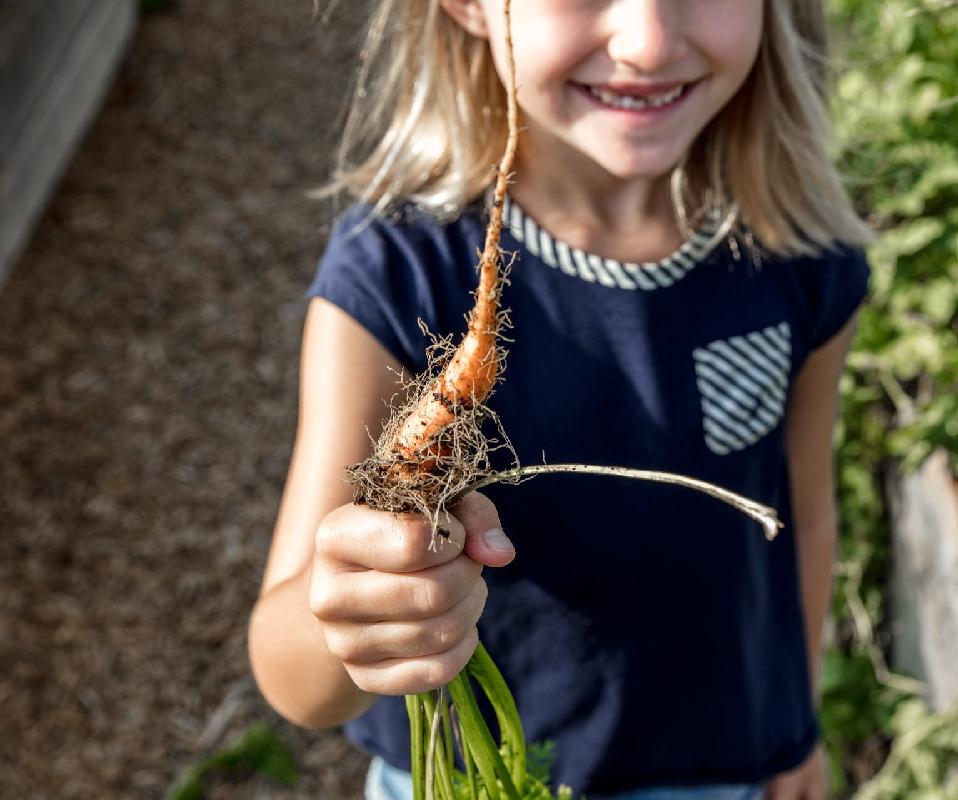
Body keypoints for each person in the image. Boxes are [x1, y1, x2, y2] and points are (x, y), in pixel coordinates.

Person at [248, 0, 874, 797]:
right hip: (464, 776)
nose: (647, 42)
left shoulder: (799, 253)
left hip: (714, 771)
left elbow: (803, 512)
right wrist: (349, 613)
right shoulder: (393, 272)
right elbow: (292, 679)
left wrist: (797, 721)